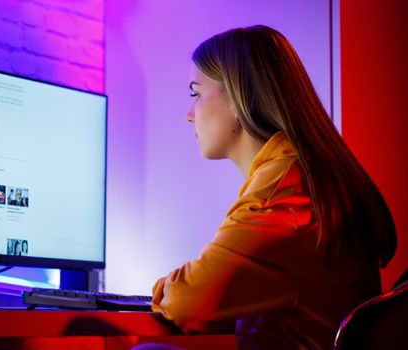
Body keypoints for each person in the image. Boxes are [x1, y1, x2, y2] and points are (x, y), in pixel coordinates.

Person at [151, 25, 397, 350]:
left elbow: (188, 302)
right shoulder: (303, 172)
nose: (188, 114)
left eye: (196, 94)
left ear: (238, 98)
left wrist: (163, 287)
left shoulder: (284, 190)